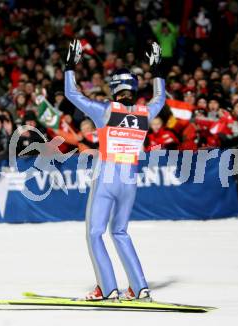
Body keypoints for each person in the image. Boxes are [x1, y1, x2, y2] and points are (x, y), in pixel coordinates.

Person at [64, 39, 165, 301]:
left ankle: (107, 288)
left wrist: (70, 67)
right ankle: (139, 286)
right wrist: (157, 73)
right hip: (130, 179)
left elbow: (72, 95)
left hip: (107, 176)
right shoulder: (144, 112)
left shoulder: (105, 111)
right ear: (132, 88)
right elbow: (160, 99)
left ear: (114, 89)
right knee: (120, 232)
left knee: (95, 233)